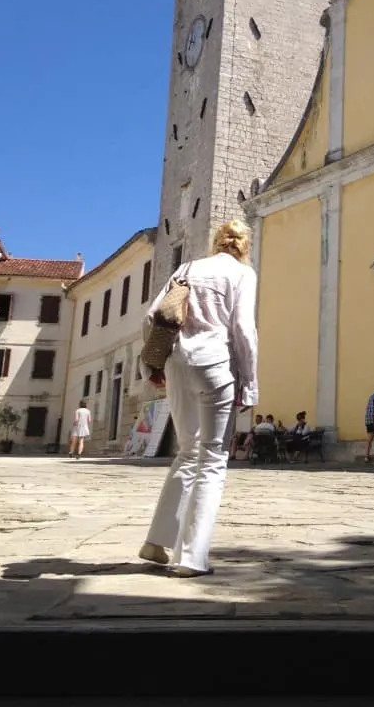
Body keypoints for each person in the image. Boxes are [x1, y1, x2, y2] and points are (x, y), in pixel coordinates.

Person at [139, 219, 258, 578]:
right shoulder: (242, 274)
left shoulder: (188, 267)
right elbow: (243, 331)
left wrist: (152, 367)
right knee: (212, 458)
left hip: (177, 364)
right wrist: (250, 384)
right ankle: (191, 557)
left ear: (216, 242)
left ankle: (156, 542)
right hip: (215, 366)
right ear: (243, 246)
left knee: (187, 453)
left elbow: (151, 317)